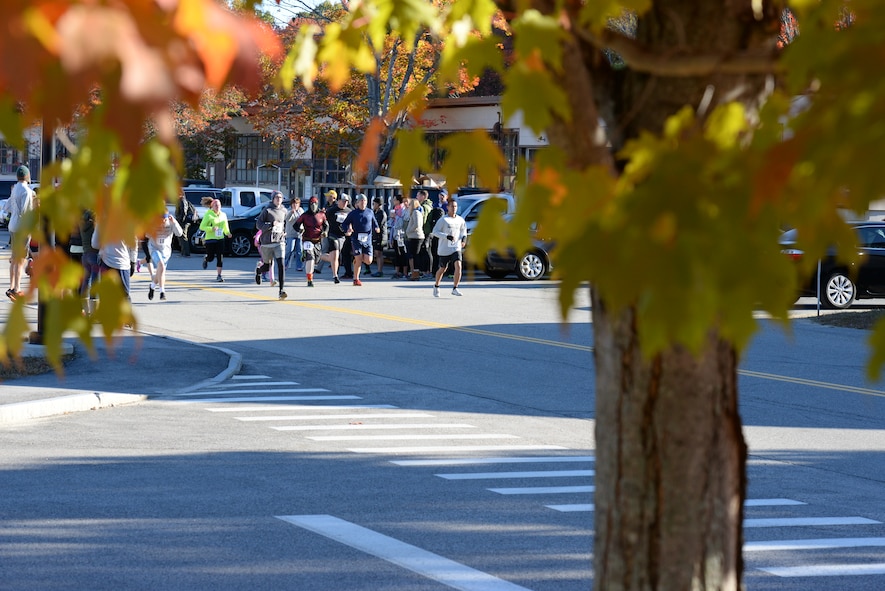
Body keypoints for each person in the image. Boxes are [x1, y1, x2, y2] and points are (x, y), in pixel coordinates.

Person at [6, 165, 35, 301]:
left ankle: (11, 286)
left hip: (12, 225)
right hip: (22, 228)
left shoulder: (15, 189)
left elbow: (8, 207)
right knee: (20, 259)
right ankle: (17, 288)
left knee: (14, 258)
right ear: (27, 176)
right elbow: (26, 213)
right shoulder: (27, 191)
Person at [255, 190, 288, 300]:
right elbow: (258, 224)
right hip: (267, 242)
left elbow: (285, 223)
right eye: (276, 197)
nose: (279, 199)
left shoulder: (284, 210)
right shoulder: (267, 210)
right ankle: (259, 270)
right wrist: (270, 225)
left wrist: (285, 231)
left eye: (280, 197)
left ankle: (281, 290)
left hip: (279, 241)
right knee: (267, 266)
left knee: (281, 265)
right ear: (273, 199)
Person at [431, 198, 468, 297]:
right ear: (447, 207)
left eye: (455, 206)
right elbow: (435, 231)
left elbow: (463, 231)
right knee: (443, 268)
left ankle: (455, 288)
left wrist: (464, 240)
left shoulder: (460, 219)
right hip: (445, 248)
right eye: (452, 206)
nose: (454, 208)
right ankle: (436, 286)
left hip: (456, 247)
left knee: (458, 266)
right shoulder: (443, 220)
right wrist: (446, 236)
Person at [91, 223, 137, 300]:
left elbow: (94, 244)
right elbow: (133, 244)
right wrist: (133, 261)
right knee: (125, 295)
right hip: (123, 263)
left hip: (106, 261)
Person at [341, 194, 380, 286]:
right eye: (361, 201)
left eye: (365, 201)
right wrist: (348, 229)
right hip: (356, 239)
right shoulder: (353, 213)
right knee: (359, 259)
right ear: (357, 203)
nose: (363, 203)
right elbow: (345, 223)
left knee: (368, 261)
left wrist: (377, 228)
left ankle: (356, 260)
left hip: (367, 240)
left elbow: (374, 222)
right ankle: (356, 279)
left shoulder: (370, 212)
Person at [146, 212, 183, 301]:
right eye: (161, 220)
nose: (163, 222)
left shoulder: (171, 222)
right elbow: (147, 234)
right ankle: (162, 292)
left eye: (164, 219)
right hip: (154, 248)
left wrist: (175, 223)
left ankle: (152, 286)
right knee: (161, 265)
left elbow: (180, 233)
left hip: (165, 251)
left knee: (160, 272)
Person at [293, 196, 328, 287]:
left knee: (316, 260)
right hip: (307, 240)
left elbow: (326, 225)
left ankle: (304, 256)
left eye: (315, 203)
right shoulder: (304, 215)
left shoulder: (322, 215)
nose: (313, 205)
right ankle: (309, 279)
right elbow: (295, 225)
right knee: (310, 258)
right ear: (309, 204)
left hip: (317, 241)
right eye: (311, 203)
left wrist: (325, 232)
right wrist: (300, 230)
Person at [319, 192, 352, 284]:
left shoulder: (349, 211)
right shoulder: (331, 210)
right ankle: (335, 276)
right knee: (336, 255)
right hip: (332, 234)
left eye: (346, 201)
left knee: (334, 257)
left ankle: (318, 256)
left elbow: (351, 223)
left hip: (343, 237)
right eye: (343, 201)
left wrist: (350, 229)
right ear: (339, 201)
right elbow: (323, 221)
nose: (345, 203)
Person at [199, 198, 231, 282]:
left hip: (220, 238)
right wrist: (211, 228)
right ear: (212, 206)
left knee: (220, 257)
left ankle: (219, 275)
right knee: (211, 258)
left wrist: (228, 233)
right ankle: (206, 259)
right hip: (210, 239)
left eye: (219, 205)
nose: (217, 207)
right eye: (216, 205)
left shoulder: (223, 215)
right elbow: (202, 227)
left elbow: (225, 226)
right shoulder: (208, 215)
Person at [425, 190, 447, 275]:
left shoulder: (447, 206)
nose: (441, 197)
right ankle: (434, 270)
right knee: (434, 251)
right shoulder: (435, 205)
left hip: (443, 231)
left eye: (443, 195)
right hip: (435, 231)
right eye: (440, 195)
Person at [404, 195, 425, 281]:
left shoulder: (416, 213)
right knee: (413, 255)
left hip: (416, 236)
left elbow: (417, 224)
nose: (409, 206)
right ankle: (414, 273)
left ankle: (416, 274)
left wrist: (409, 230)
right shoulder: (414, 213)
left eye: (410, 204)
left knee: (415, 255)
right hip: (413, 236)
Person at [389, 194, 408, 278]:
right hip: (395, 234)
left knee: (403, 253)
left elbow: (403, 222)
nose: (393, 201)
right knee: (396, 253)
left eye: (394, 200)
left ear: (398, 201)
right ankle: (397, 272)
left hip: (402, 234)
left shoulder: (403, 209)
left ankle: (405, 272)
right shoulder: (395, 209)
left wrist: (396, 216)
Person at [174, 191, 197, 257]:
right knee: (181, 236)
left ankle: (186, 253)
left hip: (184, 222)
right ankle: (183, 252)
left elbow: (184, 211)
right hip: (183, 221)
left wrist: (181, 220)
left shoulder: (182, 200)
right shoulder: (180, 200)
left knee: (183, 236)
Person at [284, 197, 304, 271]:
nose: (295, 205)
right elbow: (287, 219)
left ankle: (299, 266)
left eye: (296, 203)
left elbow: (303, 220)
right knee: (290, 249)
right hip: (290, 233)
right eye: (293, 203)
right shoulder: (288, 211)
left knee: (299, 251)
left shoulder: (301, 211)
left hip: (299, 234)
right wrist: (291, 213)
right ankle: (285, 264)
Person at [371, 196, 388, 277]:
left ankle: (380, 271)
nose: (373, 205)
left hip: (380, 236)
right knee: (376, 253)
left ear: (378, 204)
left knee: (379, 253)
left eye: (374, 203)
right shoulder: (375, 212)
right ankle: (378, 270)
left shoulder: (381, 213)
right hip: (375, 236)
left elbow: (378, 225)